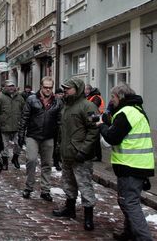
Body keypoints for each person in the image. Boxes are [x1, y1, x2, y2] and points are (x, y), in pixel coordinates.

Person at [99, 83, 155, 241]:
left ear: (120, 97)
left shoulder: (126, 112)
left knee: (129, 202)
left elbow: (112, 138)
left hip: (131, 165)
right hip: (139, 163)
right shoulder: (137, 110)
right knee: (127, 200)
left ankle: (144, 238)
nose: (111, 100)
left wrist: (102, 126)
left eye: (113, 97)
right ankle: (129, 233)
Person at [52, 77, 99, 231]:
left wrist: (83, 150)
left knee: (84, 185)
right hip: (67, 153)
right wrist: (59, 149)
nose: (64, 90)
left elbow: (94, 130)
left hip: (81, 155)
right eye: (64, 88)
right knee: (68, 183)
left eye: (68, 88)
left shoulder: (89, 106)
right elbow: (62, 130)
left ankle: (88, 217)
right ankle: (69, 209)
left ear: (77, 89)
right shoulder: (66, 106)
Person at [19, 76, 62, 202]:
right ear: (41, 87)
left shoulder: (57, 102)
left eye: (50, 87)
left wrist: (59, 139)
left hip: (49, 136)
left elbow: (60, 121)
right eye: (45, 87)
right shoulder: (32, 99)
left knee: (47, 164)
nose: (48, 90)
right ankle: (28, 187)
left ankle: (45, 190)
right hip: (33, 135)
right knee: (31, 160)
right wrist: (21, 134)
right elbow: (24, 117)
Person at [0, 80, 25, 170]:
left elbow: (25, 109)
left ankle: (15, 158)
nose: (11, 88)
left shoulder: (19, 97)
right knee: (4, 145)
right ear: (5, 87)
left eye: (12, 86)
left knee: (19, 143)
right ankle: (5, 161)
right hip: (4, 125)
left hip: (17, 125)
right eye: (9, 86)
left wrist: (23, 122)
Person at [85, 84, 105, 162]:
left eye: (86, 90)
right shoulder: (91, 97)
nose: (85, 91)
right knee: (94, 138)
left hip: (96, 119)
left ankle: (97, 156)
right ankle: (94, 155)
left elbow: (92, 108)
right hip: (95, 119)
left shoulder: (96, 97)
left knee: (95, 139)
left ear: (90, 90)